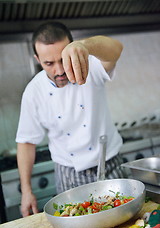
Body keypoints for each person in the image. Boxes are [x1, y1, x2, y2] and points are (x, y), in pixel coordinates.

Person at [16, 21, 124, 217]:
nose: (59, 70)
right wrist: (26, 191)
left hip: (109, 166)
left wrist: (85, 47)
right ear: (37, 59)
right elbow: (26, 141)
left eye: (62, 59)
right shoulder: (33, 92)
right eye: (49, 63)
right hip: (68, 175)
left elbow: (117, 48)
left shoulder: (91, 66)